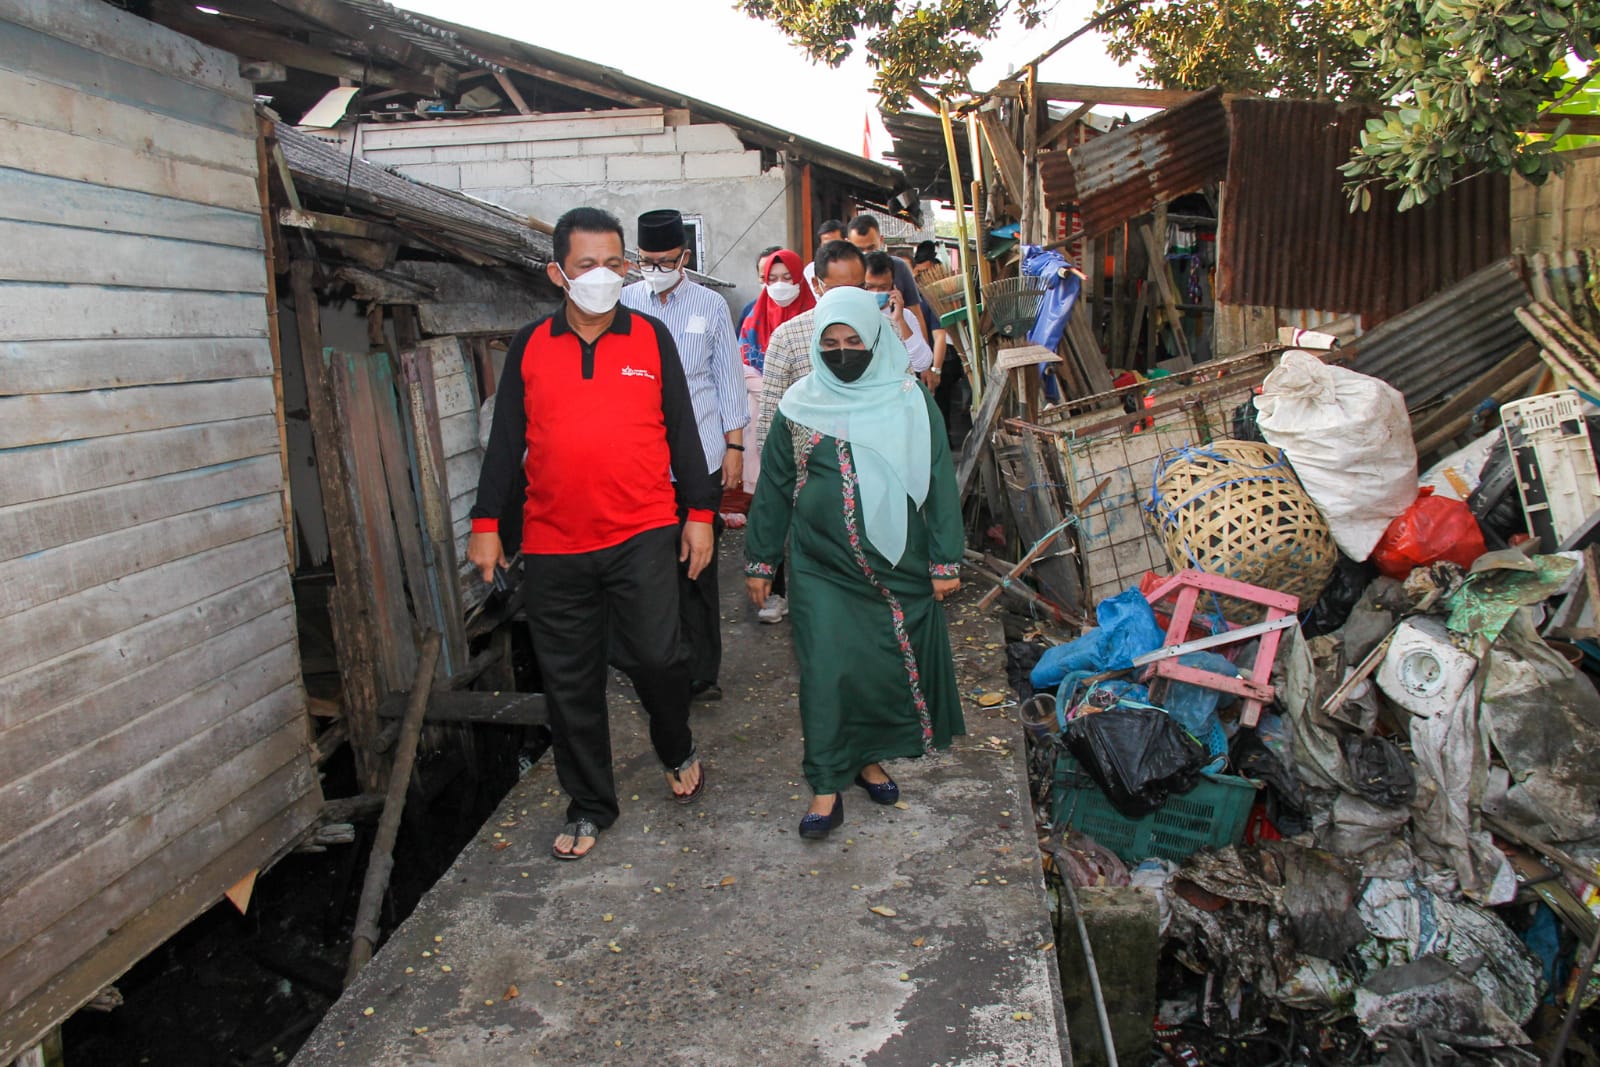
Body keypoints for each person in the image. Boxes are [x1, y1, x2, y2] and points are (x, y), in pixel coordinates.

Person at [468, 206, 714, 862]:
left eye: (613, 263)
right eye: (586, 265)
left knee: (659, 658)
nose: (602, 276)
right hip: (553, 544)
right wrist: (487, 525)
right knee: (569, 680)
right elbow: (505, 446)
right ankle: (590, 803)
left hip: (643, 531)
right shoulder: (530, 346)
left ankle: (674, 739)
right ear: (558, 273)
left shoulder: (651, 338)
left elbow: (683, 432)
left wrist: (700, 512)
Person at [744, 286, 966, 841]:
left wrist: (946, 559)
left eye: (854, 341)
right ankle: (825, 784)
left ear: (875, 339)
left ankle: (867, 761)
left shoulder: (910, 399)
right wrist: (761, 559)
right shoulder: (798, 404)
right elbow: (773, 485)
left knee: (877, 666)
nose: (843, 352)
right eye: (831, 342)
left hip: (895, 566)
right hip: (819, 565)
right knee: (825, 670)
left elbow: (939, 480)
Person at [620, 208, 749, 703]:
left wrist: (734, 447)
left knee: (699, 565)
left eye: (666, 260)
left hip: (700, 457)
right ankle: (661, 666)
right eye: (647, 261)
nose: (656, 269)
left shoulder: (710, 306)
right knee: (650, 568)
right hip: (643, 461)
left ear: (685, 258)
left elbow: (728, 380)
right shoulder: (624, 304)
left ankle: (702, 671)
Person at [751, 240, 868, 624]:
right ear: (817, 286)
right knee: (822, 606)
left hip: (872, 482)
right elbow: (770, 420)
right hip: (813, 491)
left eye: (858, 289)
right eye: (837, 290)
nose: (849, 300)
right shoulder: (789, 337)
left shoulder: (882, 334)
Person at [846, 214, 926, 336]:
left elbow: (916, 313)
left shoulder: (899, 267)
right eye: (859, 249)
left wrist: (921, 348)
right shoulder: (844, 273)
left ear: (881, 241)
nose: (866, 254)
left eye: (871, 247)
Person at [862, 250, 934, 375]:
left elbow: (922, 363)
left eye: (883, 287)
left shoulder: (905, 316)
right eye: (869, 287)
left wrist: (899, 321)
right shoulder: (850, 316)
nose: (876, 292)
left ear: (893, 287)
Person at [801, 219, 845, 292]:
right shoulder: (810, 271)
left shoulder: (854, 269)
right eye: (826, 245)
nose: (831, 249)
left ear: (846, 241)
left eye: (835, 244)